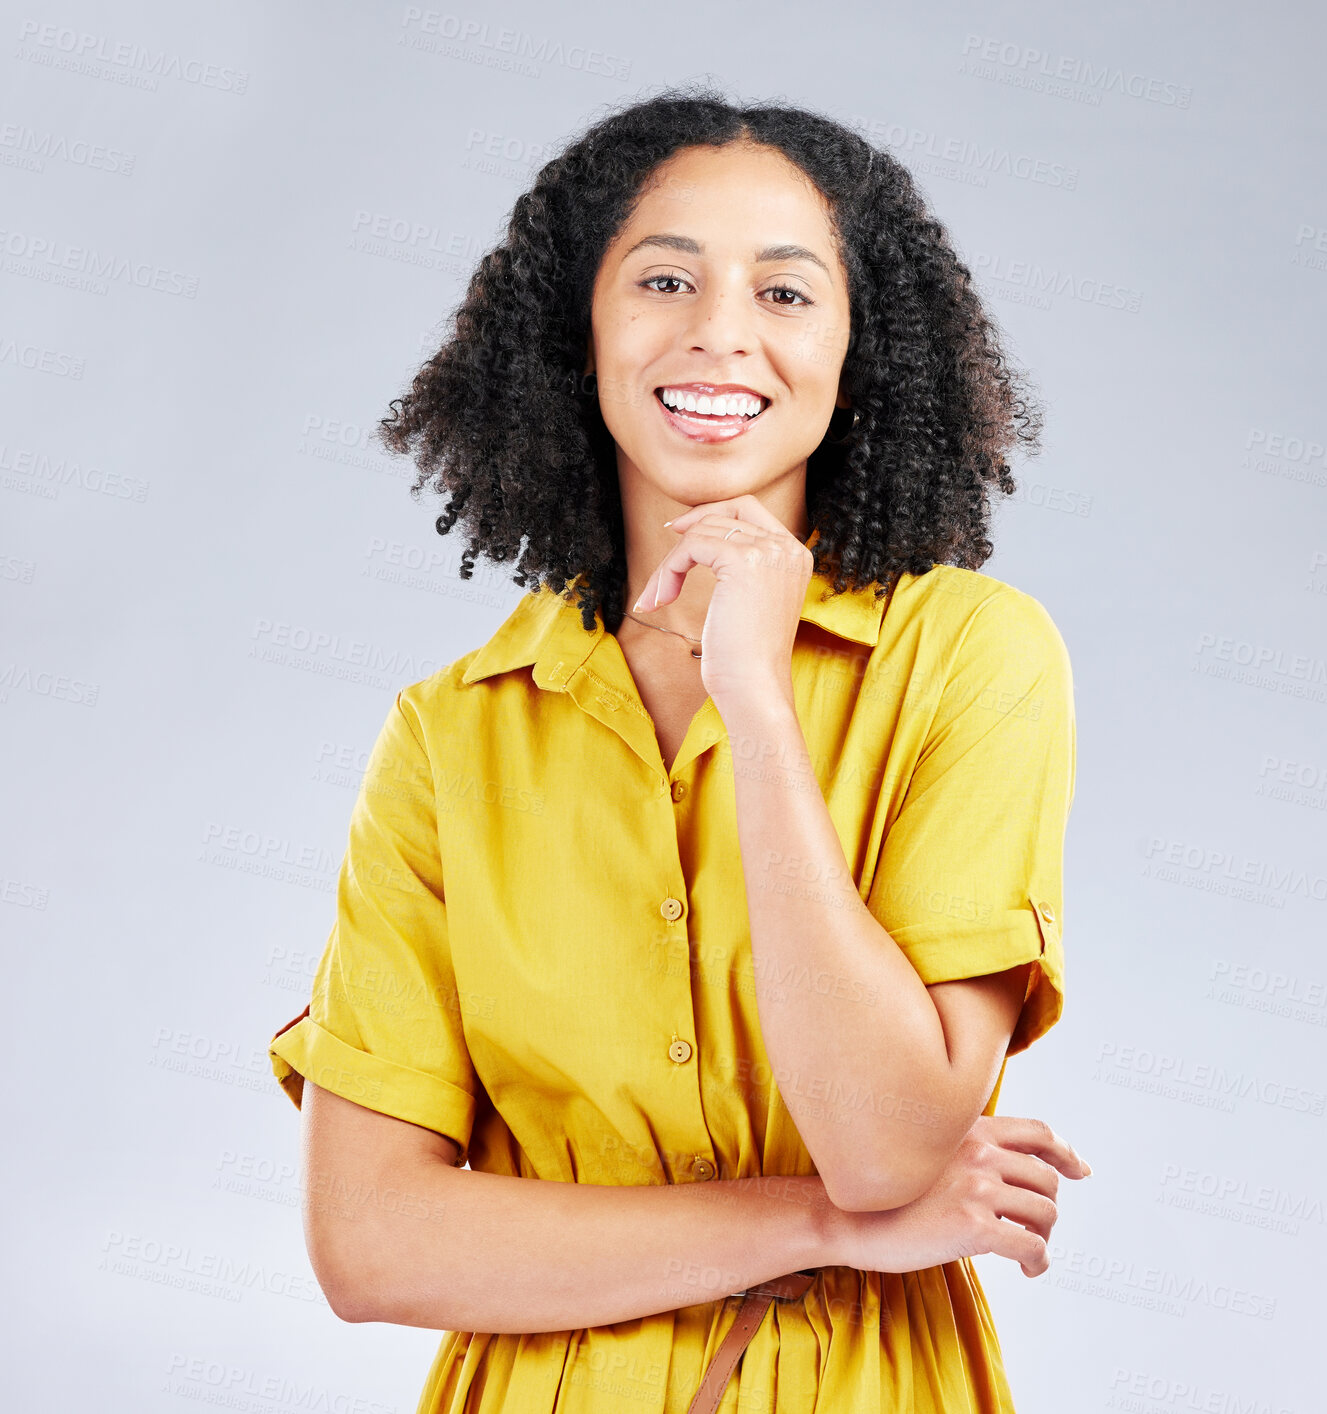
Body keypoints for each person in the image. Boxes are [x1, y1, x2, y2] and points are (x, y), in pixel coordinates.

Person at [267, 83, 1090, 1414]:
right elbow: (370, 1243)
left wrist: (757, 711)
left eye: (783, 293)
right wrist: (822, 1227)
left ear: (856, 345)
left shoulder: (970, 658)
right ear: (577, 329)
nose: (718, 335)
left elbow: (887, 1143)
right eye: (662, 279)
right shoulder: (452, 730)